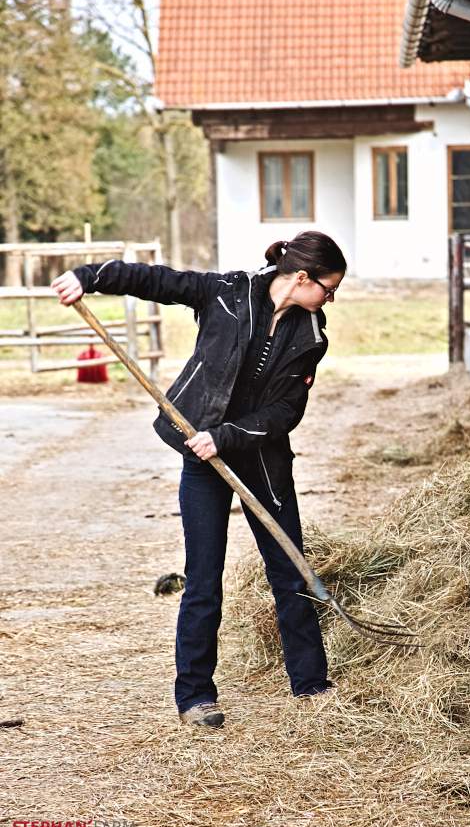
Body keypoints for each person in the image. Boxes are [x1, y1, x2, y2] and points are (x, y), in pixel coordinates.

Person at [51, 231, 347, 727]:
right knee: (203, 578)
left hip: (261, 460)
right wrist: (89, 277)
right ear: (302, 277)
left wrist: (226, 436)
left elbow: (286, 411)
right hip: (202, 458)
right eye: (329, 289)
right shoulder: (226, 293)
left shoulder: (311, 337)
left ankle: (312, 686)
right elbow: (157, 281)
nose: (330, 299)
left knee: (290, 571)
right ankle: (194, 697)